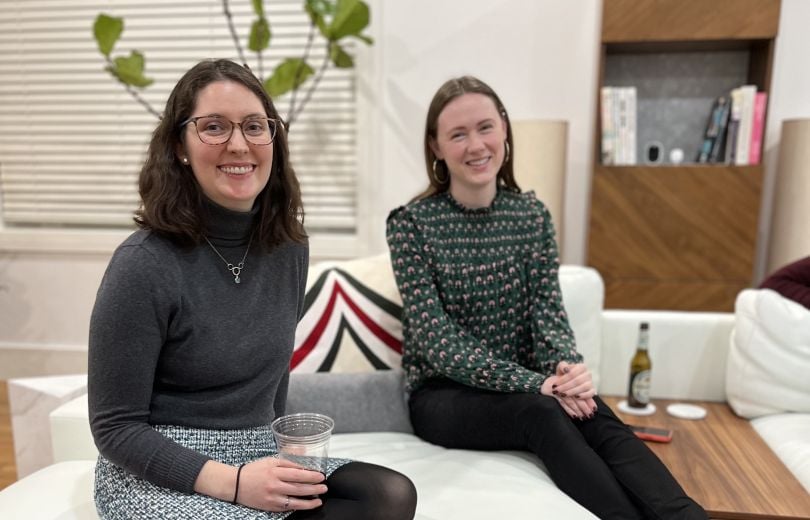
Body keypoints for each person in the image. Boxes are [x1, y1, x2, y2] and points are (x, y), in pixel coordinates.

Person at [88, 58, 417, 520]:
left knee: (388, 495)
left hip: (256, 446)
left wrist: (277, 458)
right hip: (160, 463)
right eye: (214, 127)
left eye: (254, 126)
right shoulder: (143, 264)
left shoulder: (289, 248)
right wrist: (237, 484)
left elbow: (273, 378)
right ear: (180, 146)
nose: (238, 144)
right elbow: (115, 428)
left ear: (273, 140)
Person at [385, 75, 707, 519]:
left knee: (591, 410)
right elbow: (440, 343)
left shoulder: (531, 215)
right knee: (540, 412)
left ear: (504, 130)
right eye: (457, 134)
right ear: (436, 147)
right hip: (443, 397)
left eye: (485, 127)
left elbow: (548, 314)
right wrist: (536, 383)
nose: (476, 145)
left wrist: (567, 370)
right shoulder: (410, 225)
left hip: (536, 385)